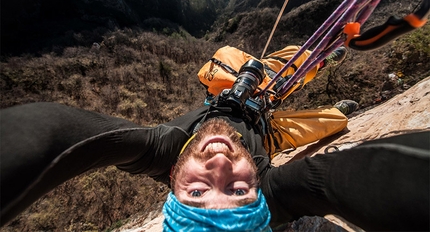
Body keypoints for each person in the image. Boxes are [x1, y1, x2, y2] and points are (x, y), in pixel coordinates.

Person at [1, 102, 429, 231]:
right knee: (334, 119)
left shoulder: (160, 152)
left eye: (198, 192)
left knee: (231, 61)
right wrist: (299, 190)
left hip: (224, 97)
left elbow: (55, 133)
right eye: (240, 191)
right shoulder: (273, 192)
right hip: (273, 128)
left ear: (173, 182)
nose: (220, 164)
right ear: (260, 193)